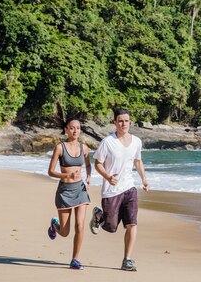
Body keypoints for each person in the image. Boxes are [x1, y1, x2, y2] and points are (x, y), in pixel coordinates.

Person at [92, 108, 149, 271]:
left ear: (130, 122)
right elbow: (98, 163)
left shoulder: (136, 141)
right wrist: (108, 177)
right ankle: (98, 215)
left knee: (132, 224)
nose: (124, 124)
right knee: (110, 227)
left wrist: (144, 179)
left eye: (126, 121)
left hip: (129, 188)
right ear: (115, 122)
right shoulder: (108, 142)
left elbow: (138, 161)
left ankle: (127, 260)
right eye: (120, 121)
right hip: (111, 190)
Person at [47, 118, 92, 270]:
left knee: (80, 225)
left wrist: (88, 177)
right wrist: (65, 176)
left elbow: (88, 165)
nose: (75, 131)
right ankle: (55, 225)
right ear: (66, 129)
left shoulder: (84, 148)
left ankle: (75, 259)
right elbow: (51, 171)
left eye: (78, 128)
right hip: (65, 192)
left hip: (80, 190)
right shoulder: (60, 147)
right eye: (72, 128)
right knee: (65, 232)